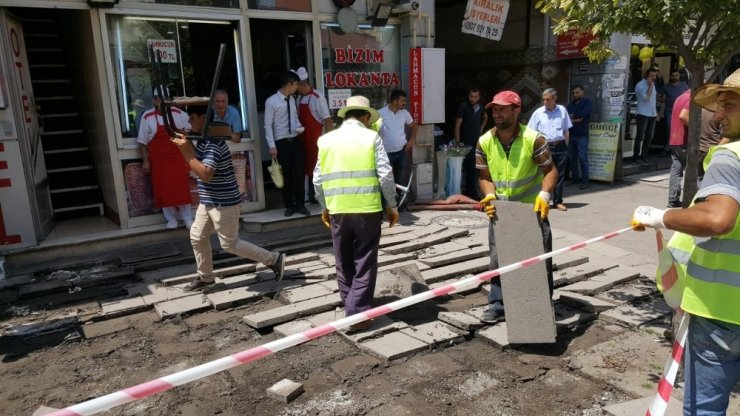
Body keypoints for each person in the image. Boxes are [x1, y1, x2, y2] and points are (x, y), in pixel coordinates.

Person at [631, 68, 740, 416]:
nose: (718, 115)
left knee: (704, 410)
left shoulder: (730, 157)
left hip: (721, 309)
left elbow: (717, 219)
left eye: (729, 105)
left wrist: (659, 217)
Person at [171, 105, 286, 291]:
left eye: (192, 118)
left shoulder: (214, 144)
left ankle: (273, 259)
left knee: (230, 244)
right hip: (209, 199)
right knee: (197, 236)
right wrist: (187, 145)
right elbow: (197, 159)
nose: (189, 122)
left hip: (223, 202)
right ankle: (206, 277)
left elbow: (206, 173)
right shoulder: (203, 141)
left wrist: (185, 152)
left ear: (203, 119)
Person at [313, 96, 399, 330]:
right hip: (367, 210)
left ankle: (351, 304)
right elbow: (385, 175)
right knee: (364, 260)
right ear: (364, 117)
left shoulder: (326, 140)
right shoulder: (371, 138)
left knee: (343, 260)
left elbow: (317, 179)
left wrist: (324, 207)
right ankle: (358, 312)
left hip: (338, 211)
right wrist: (392, 205)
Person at [476, 91, 557, 323]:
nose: (497, 113)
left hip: (531, 211)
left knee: (538, 262)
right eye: (494, 109)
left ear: (516, 110)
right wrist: (490, 196)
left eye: (502, 109)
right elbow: (484, 176)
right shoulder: (485, 141)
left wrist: (544, 194)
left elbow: (550, 170)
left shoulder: (534, 139)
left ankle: (539, 311)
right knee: (499, 259)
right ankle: (498, 304)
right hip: (501, 211)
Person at [137, 86, 193, 229]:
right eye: (158, 98)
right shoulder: (147, 116)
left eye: (165, 98)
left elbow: (190, 134)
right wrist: (145, 161)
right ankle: (171, 219)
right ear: (154, 100)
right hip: (159, 161)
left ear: (169, 99)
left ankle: (187, 218)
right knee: (163, 189)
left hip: (177, 158)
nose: (162, 101)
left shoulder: (179, 114)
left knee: (181, 188)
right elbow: (142, 142)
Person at [264, 71, 307, 217]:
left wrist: (299, 127)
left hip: (295, 139)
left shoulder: (293, 99)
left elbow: (294, 119)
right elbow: (268, 125)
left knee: (299, 173)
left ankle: (301, 204)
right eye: (295, 84)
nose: (297, 87)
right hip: (281, 142)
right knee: (286, 175)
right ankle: (289, 205)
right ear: (289, 84)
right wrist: (272, 145)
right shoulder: (271, 101)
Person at [527, 88, 572, 211]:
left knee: (560, 175)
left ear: (554, 99)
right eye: (543, 99)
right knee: (542, 174)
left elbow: (566, 130)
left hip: (560, 146)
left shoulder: (562, 111)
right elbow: (530, 132)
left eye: (547, 99)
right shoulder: (538, 113)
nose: (545, 102)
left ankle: (557, 201)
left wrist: (566, 147)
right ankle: (542, 200)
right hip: (544, 147)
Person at [295, 67, 334, 204]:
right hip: (302, 139)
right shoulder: (298, 98)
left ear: (304, 85)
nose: (296, 89)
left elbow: (328, 119)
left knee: (316, 168)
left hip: (316, 140)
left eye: (297, 86)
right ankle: (307, 196)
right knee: (305, 167)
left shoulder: (318, 97)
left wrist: (330, 141)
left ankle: (317, 196)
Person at [377, 89, 418, 188]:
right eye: (402, 100)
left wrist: (411, 142)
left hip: (401, 152)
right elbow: (374, 131)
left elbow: (414, 127)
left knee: (401, 179)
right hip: (385, 154)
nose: (404, 103)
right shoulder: (380, 113)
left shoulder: (404, 113)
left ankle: (401, 201)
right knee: (386, 179)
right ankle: (389, 202)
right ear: (395, 101)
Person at [454, 87, 488, 200]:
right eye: (471, 97)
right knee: (465, 169)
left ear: (479, 97)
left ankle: (471, 193)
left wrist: (481, 129)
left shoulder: (480, 108)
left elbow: (485, 117)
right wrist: (458, 141)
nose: (473, 99)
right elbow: (458, 124)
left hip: (475, 142)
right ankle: (467, 192)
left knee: (473, 169)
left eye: (475, 97)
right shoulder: (463, 107)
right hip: (465, 142)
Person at [666, 89, 691, 208]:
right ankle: (690, 200)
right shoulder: (691, 98)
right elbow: (683, 116)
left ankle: (673, 199)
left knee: (676, 169)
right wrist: (696, 127)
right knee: (692, 170)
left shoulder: (680, 96)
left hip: (675, 138)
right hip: (684, 140)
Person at [566, 85, 592, 189]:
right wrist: (576, 118)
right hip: (571, 134)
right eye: (573, 93)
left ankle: (585, 180)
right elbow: (566, 115)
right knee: (572, 158)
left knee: (582, 158)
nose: (574, 95)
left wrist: (574, 117)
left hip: (582, 135)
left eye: (577, 92)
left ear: (582, 93)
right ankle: (575, 178)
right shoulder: (570, 104)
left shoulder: (587, 102)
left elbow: (583, 114)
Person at [658, 70, 689, 154]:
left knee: (681, 130)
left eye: (676, 75)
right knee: (670, 129)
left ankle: (675, 148)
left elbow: (689, 95)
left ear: (679, 77)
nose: (674, 77)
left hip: (682, 111)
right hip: (670, 111)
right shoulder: (666, 86)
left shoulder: (684, 85)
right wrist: (665, 100)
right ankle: (668, 148)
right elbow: (658, 96)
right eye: (673, 75)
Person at [633, 67, 659, 163]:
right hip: (642, 113)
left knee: (649, 136)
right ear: (647, 75)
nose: (653, 78)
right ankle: (636, 156)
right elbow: (646, 98)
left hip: (652, 114)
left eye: (655, 76)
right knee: (640, 136)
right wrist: (651, 86)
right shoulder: (640, 85)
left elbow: (653, 100)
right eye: (652, 75)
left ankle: (644, 155)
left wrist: (656, 112)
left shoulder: (653, 85)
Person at [698, 108, 723, 182]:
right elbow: (725, 136)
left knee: (700, 178)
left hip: (700, 148)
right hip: (712, 150)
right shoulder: (719, 114)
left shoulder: (701, 110)